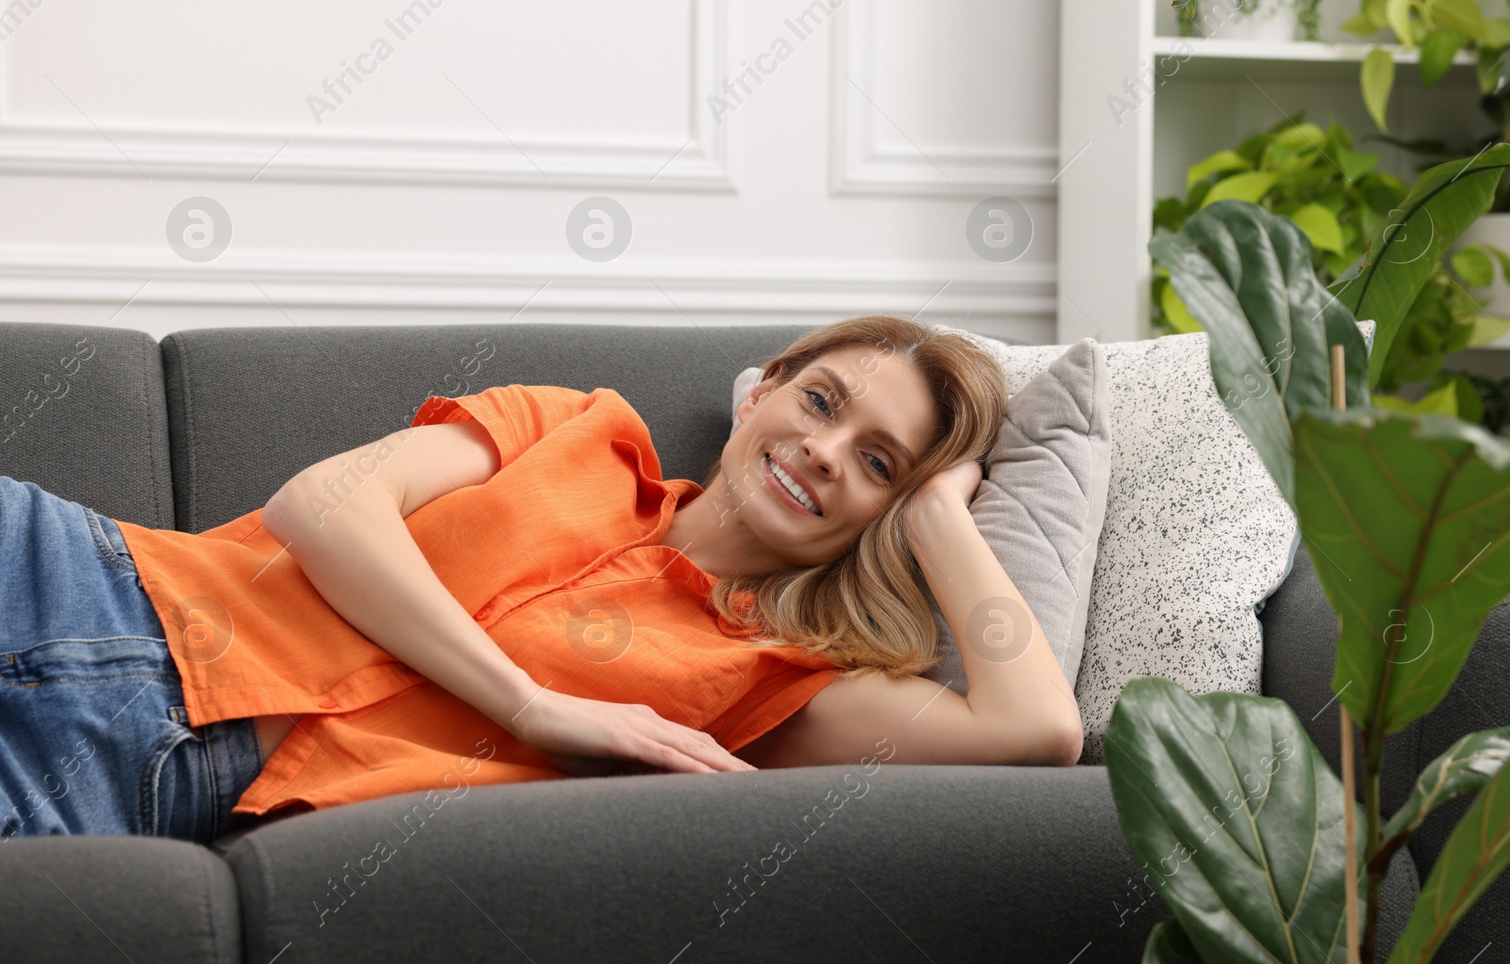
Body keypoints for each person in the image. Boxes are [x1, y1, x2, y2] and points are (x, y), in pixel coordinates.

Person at [0, 314, 1082, 845]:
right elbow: (322, 505)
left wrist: (942, 512)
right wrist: (531, 703)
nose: (826, 450)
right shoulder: (576, 426)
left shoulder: (772, 679)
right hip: (89, 577)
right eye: (822, 402)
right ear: (766, 389)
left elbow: (1037, 730)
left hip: (152, 778)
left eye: (878, 462)